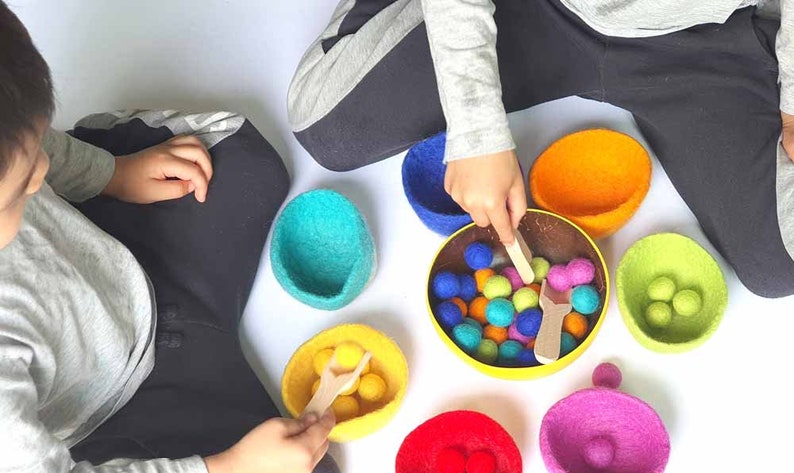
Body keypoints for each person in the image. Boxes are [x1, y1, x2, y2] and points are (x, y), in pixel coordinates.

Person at [0, 3, 341, 473]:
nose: (42, 174)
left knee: (239, 154)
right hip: (113, 408)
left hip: (132, 276)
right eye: (21, 189)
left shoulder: (26, 158)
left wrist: (109, 174)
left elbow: (38, 150)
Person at [288, 0, 794, 297]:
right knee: (325, 128)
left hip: (700, 37)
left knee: (780, 266)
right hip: (537, 10)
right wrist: (476, 128)